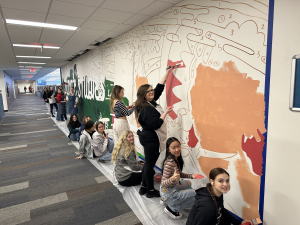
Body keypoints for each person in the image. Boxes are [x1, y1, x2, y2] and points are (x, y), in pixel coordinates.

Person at [135, 66, 174, 198]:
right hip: (151, 139)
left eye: (151, 90)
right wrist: (166, 113)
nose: (152, 92)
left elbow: (159, 88)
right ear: (143, 95)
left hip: (147, 138)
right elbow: (156, 124)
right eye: (149, 91)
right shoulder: (147, 109)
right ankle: (150, 191)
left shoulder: (147, 103)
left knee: (148, 163)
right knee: (149, 164)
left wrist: (167, 72)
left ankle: (144, 187)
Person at [186, 168, 252, 225]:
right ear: (212, 181)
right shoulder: (207, 207)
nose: (225, 184)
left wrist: (240, 222)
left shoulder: (217, 193)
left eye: (227, 181)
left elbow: (221, 210)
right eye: (221, 181)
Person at [160, 137, 201, 219]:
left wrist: (191, 176)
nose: (177, 149)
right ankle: (172, 208)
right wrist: (172, 179)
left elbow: (179, 174)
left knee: (188, 183)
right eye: (173, 147)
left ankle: (166, 200)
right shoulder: (170, 163)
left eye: (178, 146)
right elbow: (163, 183)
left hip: (169, 188)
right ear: (168, 150)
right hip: (167, 192)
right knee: (197, 194)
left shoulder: (175, 159)